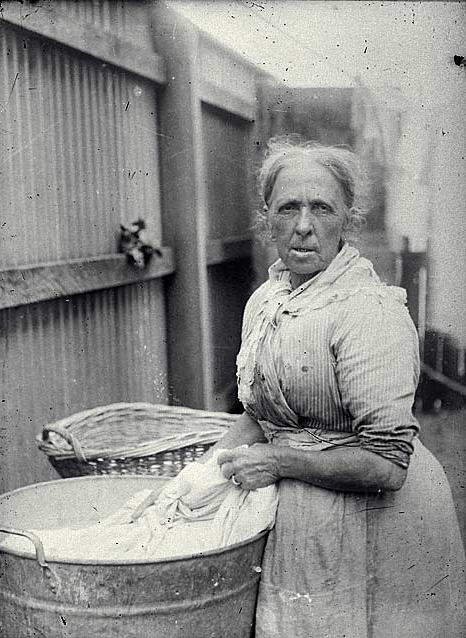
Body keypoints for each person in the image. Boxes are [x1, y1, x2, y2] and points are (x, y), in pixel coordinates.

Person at [210, 138, 466, 637]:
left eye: (321, 208)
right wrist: (198, 476)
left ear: (349, 219)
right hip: (302, 522)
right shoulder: (266, 302)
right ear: (267, 219)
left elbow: (389, 466)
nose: (303, 225)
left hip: (379, 521)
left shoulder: (369, 311)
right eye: (288, 208)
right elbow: (260, 415)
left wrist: (277, 462)